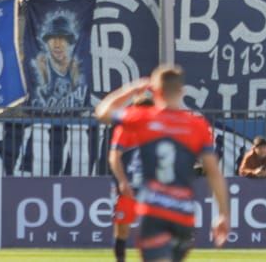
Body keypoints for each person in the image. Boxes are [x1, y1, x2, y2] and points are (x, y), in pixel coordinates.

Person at [94, 66, 229, 261]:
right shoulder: (197, 125)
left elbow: (102, 112)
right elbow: (214, 173)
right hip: (183, 213)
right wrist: (223, 213)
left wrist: (132, 89)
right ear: (182, 91)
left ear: (155, 91)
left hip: (155, 210)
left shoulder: (143, 118)